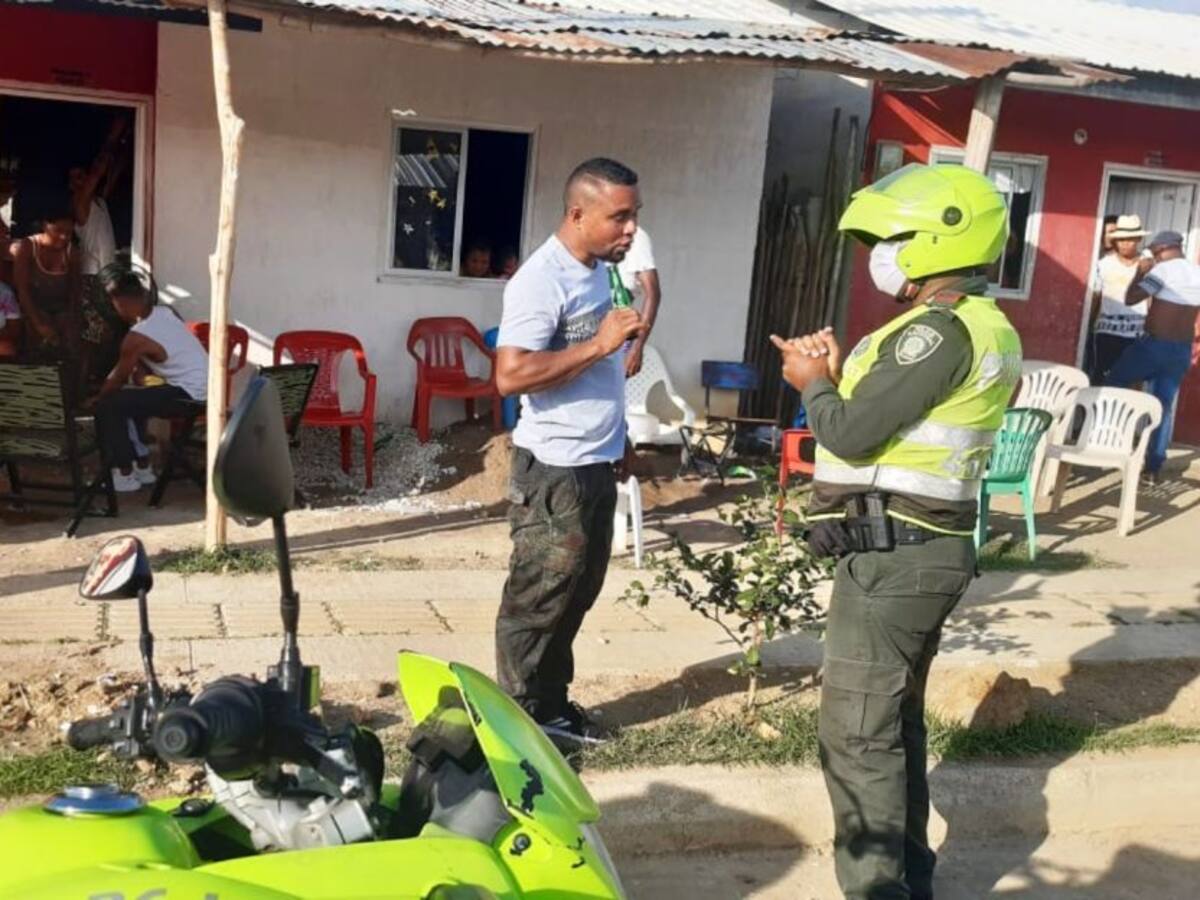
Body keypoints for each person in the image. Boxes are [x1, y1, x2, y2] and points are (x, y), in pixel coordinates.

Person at [771, 163, 1022, 900]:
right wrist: (841, 372)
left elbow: (850, 432)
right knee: (892, 729)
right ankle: (910, 881)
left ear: (935, 240)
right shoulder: (974, 323)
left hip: (897, 561)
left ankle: (879, 889)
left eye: (890, 237)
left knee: (858, 738)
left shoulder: (939, 331)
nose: (880, 251)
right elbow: (897, 429)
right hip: (920, 554)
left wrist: (812, 381)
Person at [493, 157, 643, 744]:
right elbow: (511, 374)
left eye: (635, 216)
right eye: (620, 217)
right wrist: (602, 341)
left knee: (575, 597)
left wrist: (619, 436)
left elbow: (598, 375)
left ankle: (552, 710)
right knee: (536, 603)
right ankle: (519, 727)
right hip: (553, 471)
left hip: (594, 462)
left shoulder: (602, 271)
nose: (630, 229)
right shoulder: (541, 280)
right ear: (578, 214)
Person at [87, 269, 208, 492]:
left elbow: (117, 378)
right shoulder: (166, 312)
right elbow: (158, 349)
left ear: (120, 303)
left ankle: (124, 473)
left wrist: (97, 398)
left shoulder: (136, 337)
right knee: (130, 400)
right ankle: (143, 467)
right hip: (204, 390)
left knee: (110, 404)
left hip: (188, 395)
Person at [1105, 230, 1200, 482]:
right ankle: (1153, 467)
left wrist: (1140, 271)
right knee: (1163, 406)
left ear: (1159, 250)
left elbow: (1131, 298)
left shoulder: (1162, 271)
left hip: (1153, 346)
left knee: (1113, 384)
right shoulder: (1196, 273)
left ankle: (1110, 443)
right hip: (1181, 349)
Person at [71, 114, 129, 382]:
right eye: (77, 178)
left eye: (83, 176)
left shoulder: (99, 203)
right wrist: (113, 135)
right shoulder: (79, 204)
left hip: (106, 277)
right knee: (91, 339)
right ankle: (82, 387)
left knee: (105, 334)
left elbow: (109, 174)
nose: (83, 180)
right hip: (92, 280)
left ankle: (92, 382)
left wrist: (122, 150)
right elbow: (99, 172)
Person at [10, 198, 81, 371]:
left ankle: (70, 387)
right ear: (44, 225)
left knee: (71, 345)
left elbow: (74, 290)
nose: (64, 237)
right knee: (37, 342)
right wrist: (38, 324)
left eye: (69, 233)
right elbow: (22, 290)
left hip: (61, 310)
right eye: (59, 231)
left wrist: (71, 318)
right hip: (33, 308)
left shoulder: (72, 252)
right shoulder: (27, 247)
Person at [1086, 214, 1149, 383]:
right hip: (1106, 333)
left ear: (1138, 239)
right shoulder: (1104, 264)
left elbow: (1151, 300)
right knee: (1101, 378)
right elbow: (1096, 296)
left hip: (1136, 335)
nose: (1125, 243)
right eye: (1121, 239)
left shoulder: (1146, 265)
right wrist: (1089, 327)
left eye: (1130, 239)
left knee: (1132, 380)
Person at [615, 225, 662, 377]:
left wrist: (637, 347)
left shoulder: (635, 237)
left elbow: (653, 293)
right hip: (584, 335)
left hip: (618, 335)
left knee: (608, 396)